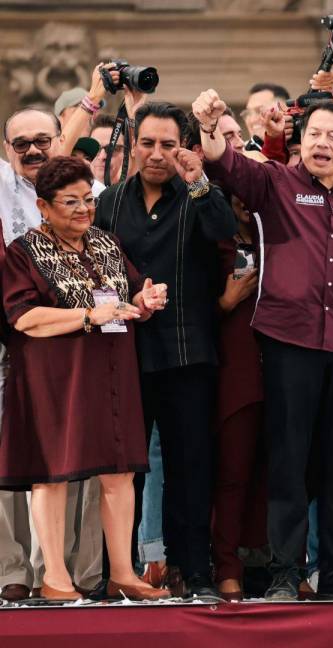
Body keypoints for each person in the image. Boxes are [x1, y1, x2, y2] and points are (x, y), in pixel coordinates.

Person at [194, 90, 333, 601]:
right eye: (315, 134)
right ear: (301, 141)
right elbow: (225, 163)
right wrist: (210, 125)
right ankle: (285, 573)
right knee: (288, 459)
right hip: (287, 342)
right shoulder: (275, 183)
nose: (322, 144)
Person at [0, 156, 170, 601]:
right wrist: (88, 315)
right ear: (42, 205)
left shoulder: (104, 243)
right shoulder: (24, 251)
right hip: (54, 380)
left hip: (114, 376)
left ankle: (122, 574)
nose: (83, 210)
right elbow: (24, 318)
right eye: (70, 202)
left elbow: (130, 291)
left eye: (88, 201)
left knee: (119, 474)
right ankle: (55, 577)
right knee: (51, 475)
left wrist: (146, 298)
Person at [94, 102, 235, 601]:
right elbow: (96, 272)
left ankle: (193, 571)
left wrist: (199, 181)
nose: (157, 154)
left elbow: (224, 232)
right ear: (134, 145)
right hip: (123, 354)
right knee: (123, 469)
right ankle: (121, 571)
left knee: (190, 466)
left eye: (168, 145)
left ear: (185, 149)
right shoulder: (109, 202)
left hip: (188, 352)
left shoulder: (199, 195)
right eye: (148, 143)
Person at [1, 107, 104, 603]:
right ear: (7, 151)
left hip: (75, 341)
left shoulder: (89, 195)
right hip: (10, 335)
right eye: (20, 144)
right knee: (11, 461)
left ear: (60, 140)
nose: (32, 151)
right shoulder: (2, 189)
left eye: (43, 140)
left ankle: (66, 575)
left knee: (75, 459)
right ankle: (12, 572)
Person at [210, 187, 265, 601]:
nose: (245, 201)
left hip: (284, 368)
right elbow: (192, 304)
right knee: (232, 473)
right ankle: (227, 566)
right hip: (235, 370)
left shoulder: (284, 238)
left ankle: (280, 565)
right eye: (238, 194)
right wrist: (225, 302)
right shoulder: (216, 241)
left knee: (283, 476)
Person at [242, 82, 290, 150]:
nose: (252, 120)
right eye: (248, 113)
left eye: (259, 111)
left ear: (283, 110)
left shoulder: (303, 147)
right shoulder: (239, 155)